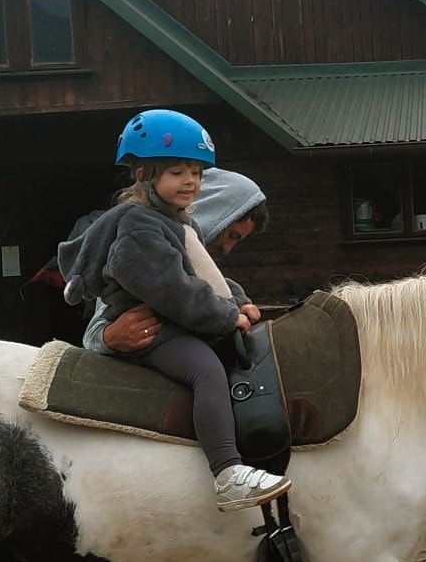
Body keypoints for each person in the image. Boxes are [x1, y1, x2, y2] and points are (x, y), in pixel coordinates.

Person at [62, 159, 345, 562]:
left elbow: (217, 305)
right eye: (231, 234)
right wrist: (109, 338)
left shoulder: (197, 257)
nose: (231, 247)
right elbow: (97, 332)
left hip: (186, 449)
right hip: (141, 454)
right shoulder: (153, 244)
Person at [56, 109, 289, 514]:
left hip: (176, 320)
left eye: (196, 173)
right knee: (206, 371)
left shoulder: (179, 224)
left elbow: (204, 274)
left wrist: (238, 300)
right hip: (157, 329)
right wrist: (225, 317)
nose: (190, 181)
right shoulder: (140, 227)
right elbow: (172, 289)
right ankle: (227, 473)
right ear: (143, 173)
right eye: (177, 172)